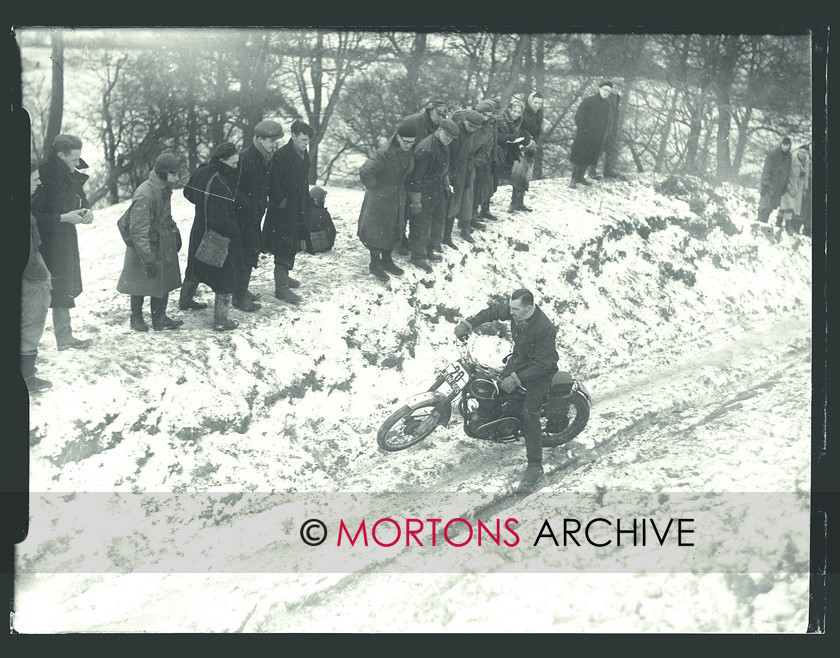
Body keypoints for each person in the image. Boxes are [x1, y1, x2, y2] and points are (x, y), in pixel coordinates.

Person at [454, 288, 560, 492]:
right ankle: (498, 425)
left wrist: (516, 379)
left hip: (539, 372)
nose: (511, 312)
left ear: (529, 307)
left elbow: (544, 364)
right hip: (519, 360)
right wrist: (468, 323)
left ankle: (536, 467)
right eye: (510, 307)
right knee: (494, 388)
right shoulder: (514, 310)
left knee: (530, 414)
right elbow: (493, 311)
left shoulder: (544, 328)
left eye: (516, 309)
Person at [32, 134, 94, 351]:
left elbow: (81, 198)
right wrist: (63, 218)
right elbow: (32, 217)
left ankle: (64, 337)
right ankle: (27, 346)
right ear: (60, 155)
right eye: (74, 159)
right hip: (42, 242)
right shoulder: (41, 177)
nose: (78, 164)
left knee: (63, 286)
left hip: (65, 239)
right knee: (40, 292)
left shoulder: (71, 173)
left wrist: (87, 212)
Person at [117, 153, 185, 332]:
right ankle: (136, 318)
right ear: (163, 173)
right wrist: (147, 258)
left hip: (161, 241)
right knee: (139, 281)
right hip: (144, 245)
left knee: (162, 280)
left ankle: (159, 317)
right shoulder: (145, 193)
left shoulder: (164, 187)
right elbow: (138, 230)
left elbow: (166, 216)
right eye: (174, 174)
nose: (177, 179)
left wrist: (174, 231)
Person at [183, 142, 245, 331]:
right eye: (233, 163)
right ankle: (221, 320)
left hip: (199, 228)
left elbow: (187, 192)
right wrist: (236, 229)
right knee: (225, 276)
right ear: (223, 160)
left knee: (195, 265)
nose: (236, 167)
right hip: (217, 236)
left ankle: (185, 300)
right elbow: (220, 220)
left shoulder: (202, 170)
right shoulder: (220, 183)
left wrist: (202, 208)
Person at [232, 119, 285, 312]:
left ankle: (240, 290)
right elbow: (233, 188)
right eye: (271, 140)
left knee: (250, 252)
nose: (274, 145)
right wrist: (247, 204)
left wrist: (278, 198)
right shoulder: (245, 158)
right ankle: (238, 297)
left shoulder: (265, 157)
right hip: (243, 216)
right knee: (248, 253)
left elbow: (266, 184)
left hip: (255, 214)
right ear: (259, 139)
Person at [264, 119, 315, 305]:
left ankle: (285, 277)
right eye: (302, 139)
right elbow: (272, 183)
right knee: (283, 244)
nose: (305, 143)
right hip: (283, 210)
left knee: (293, 242)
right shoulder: (281, 155)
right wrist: (282, 202)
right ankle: (281, 288)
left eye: (307, 140)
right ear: (292, 135)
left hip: (299, 205)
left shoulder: (303, 153)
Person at [357, 124, 416, 282]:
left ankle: (387, 260)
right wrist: (377, 187)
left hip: (397, 196)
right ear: (398, 138)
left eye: (412, 143)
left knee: (394, 227)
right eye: (406, 142)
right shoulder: (384, 153)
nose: (409, 146)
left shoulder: (408, 153)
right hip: (380, 198)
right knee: (377, 229)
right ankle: (375, 263)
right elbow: (365, 171)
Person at [396, 99, 450, 255]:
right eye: (438, 114)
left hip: (423, 175)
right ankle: (399, 241)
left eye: (444, 116)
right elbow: (397, 143)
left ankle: (413, 243)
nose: (441, 118)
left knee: (417, 212)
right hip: (406, 171)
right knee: (402, 210)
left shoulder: (439, 126)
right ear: (430, 109)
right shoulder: (412, 121)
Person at [406, 118, 460, 271]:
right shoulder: (425, 148)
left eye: (451, 138)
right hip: (425, 189)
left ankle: (429, 250)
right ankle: (417, 256)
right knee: (422, 223)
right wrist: (416, 201)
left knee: (437, 222)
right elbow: (415, 178)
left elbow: (444, 168)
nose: (449, 140)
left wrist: (446, 183)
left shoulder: (443, 145)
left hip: (438, 188)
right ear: (440, 130)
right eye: (447, 136)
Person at [21, 159, 53, 392]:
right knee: (32, 324)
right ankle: (27, 376)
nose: (39, 182)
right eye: (34, 179)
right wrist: (40, 277)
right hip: (31, 276)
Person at [448, 109, 486, 244]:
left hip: (465, 169)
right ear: (464, 121)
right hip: (451, 170)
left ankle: (465, 228)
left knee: (466, 200)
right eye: (470, 126)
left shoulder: (472, 133)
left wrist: (469, 171)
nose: (472, 130)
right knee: (451, 202)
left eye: (476, 128)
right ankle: (445, 236)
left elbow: (471, 154)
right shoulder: (455, 130)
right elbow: (450, 154)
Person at [568, 81, 614, 188]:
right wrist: (584, 130)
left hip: (597, 136)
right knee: (579, 156)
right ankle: (574, 179)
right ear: (599, 89)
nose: (606, 93)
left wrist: (603, 133)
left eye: (609, 91)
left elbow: (607, 120)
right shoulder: (589, 101)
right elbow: (578, 116)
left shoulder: (607, 104)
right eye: (604, 90)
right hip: (584, 135)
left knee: (590, 156)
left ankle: (581, 177)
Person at [587, 80, 627, 181]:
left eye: (619, 88)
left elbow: (615, 113)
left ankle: (609, 171)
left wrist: (615, 127)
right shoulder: (605, 96)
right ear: (612, 86)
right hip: (603, 126)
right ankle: (592, 171)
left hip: (612, 126)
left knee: (612, 148)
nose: (617, 90)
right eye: (616, 87)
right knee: (598, 148)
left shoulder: (617, 97)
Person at [515, 91, 544, 210]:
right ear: (530, 101)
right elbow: (519, 129)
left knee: (526, 174)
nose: (537, 105)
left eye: (539, 103)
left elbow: (538, 131)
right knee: (518, 174)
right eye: (535, 102)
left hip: (531, 147)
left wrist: (535, 142)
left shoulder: (538, 114)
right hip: (520, 146)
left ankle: (520, 202)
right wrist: (527, 141)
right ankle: (514, 202)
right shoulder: (524, 113)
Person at [757, 137, 792, 224]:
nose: (785, 147)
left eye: (787, 145)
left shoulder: (789, 157)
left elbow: (787, 172)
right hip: (769, 184)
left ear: (789, 146)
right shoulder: (773, 154)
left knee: (771, 206)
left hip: (778, 186)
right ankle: (760, 222)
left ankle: (764, 222)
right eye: (784, 145)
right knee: (764, 204)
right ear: (781, 144)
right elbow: (766, 169)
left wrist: (785, 185)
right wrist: (765, 182)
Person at [778, 143, 811, 234]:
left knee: (791, 207)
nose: (802, 154)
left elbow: (806, 176)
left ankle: (780, 222)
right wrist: (787, 185)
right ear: (798, 151)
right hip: (789, 185)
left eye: (804, 152)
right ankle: (785, 225)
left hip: (799, 188)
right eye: (801, 151)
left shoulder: (807, 162)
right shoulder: (792, 159)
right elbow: (785, 173)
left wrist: (805, 189)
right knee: (788, 206)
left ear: (807, 153)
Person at [306, 185, 336, 253]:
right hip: (321, 245)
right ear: (318, 199)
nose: (324, 201)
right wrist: (329, 246)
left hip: (305, 245)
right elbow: (332, 231)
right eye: (323, 198)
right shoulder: (323, 213)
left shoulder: (302, 211)